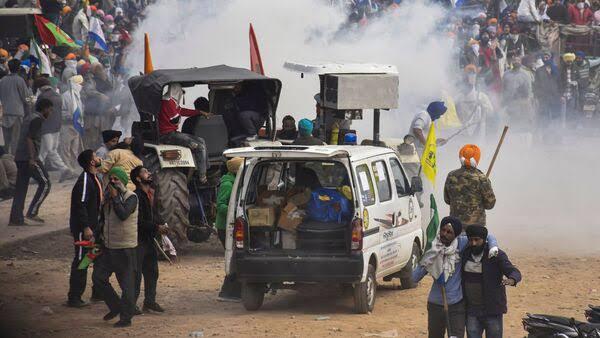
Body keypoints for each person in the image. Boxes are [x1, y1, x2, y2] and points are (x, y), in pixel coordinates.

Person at [413, 217, 498, 338]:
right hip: (435, 304)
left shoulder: (461, 244)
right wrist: (428, 259)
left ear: (456, 235)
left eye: (449, 232)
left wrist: (493, 246)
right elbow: (414, 278)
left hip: (456, 305)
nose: (444, 234)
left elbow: (488, 236)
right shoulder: (433, 248)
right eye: (443, 230)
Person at [92, 166, 139, 328]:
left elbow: (123, 214)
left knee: (126, 285)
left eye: (116, 179)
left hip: (125, 248)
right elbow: (103, 220)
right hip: (107, 247)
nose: (112, 182)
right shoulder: (107, 199)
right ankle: (115, 306)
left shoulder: (131, 197)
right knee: (98, 278)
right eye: (110, 179)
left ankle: (126, 318)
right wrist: (96, 239)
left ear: (123, 182)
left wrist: (116, 198)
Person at [462, 225, 522, 338]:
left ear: (484, 240)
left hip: (492, 310)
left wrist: (512, 280)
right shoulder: (464, 254)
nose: (473, 243)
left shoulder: (495, 255)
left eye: (477, 240)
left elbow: (513, 271)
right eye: (471, 240)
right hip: (472, 311)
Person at [67, 149, 104, 308]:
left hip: (94, 229)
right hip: (85, 231)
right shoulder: (84, 180)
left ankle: (97, 292)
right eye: (95, 156)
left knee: (95, 257)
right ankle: (74, 297)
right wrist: (85, 227)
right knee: (82, 261)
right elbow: (80, 205)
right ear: (91, 162)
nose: (99, 157)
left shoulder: (94, 178)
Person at [9, 98, 53, 226]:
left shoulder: (30, 117)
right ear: (44, 109)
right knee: (45, 183)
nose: (50, 113)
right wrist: (32, 158)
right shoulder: (37, 119)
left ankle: (16, 219)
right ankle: (32, 213)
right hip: (29, 158)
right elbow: (29, 138)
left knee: (21, 189)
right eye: (49, 110)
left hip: (20, 157)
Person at [130, 165, 166, 313]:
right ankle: (130, 305)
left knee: (152, 271)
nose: (149, 173)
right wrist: (157, 228)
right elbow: (137, 222)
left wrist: (161, 223)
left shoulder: (149, 194)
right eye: (145, 172)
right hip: (138, 241)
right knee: (136, 274)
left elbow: (153, 216)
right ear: (138, 179)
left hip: (148, 240)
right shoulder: (136, 197)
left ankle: (149, 302)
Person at [158, 83, 208, 182]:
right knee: (198, 146)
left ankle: (205, 170)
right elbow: (175, 118)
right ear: (177, 91)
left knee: (201, 140)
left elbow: (182, 111)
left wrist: (199, 112)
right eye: (181, 91)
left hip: (174, 133)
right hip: (167, 135)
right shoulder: (167, 102)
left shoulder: (172, 102)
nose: (181, 94)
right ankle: (202, 177)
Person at [444, 145, 496, 228]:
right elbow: (490, 204)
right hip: (476, 229)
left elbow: (447, 200)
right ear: (476, 159)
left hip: (455, 226)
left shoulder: (451, 175)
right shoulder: (481, 178)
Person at [35, 77, 76, 182]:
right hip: (57, 127)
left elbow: (37, 111)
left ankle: (64, 170)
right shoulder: (58, 96)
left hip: (46, 128)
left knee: (49, 151)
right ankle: (38, 173)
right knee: (45, 152)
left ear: (40, 87)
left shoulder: (42, 96)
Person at [215, 157, 244, 302]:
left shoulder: (234, 182)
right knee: (234, 259)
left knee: (235, 258)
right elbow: (220, 206)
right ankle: (228, 292)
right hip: (225, 226)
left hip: (229, 224)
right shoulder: (227, 183)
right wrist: (236, 212)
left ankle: (231, 291)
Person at [0, 59, 31, 155]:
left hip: (4, 114)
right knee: (15, 141)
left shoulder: (2, 80)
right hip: (17, 114)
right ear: (18, 68)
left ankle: (5, 161)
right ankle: (12, 162)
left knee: (5, 141)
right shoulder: (20, 80)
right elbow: (27, 98)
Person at [534, 52, 562, 126]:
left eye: (547, 58)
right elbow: (536, 84)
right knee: (544, 117)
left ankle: (555, 133)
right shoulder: (539, 70)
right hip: (544, 97)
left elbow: (560, 83)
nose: (545, 59)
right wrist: (537, 96)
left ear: (551, 58)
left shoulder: (556, 69)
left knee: (555, 116)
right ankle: (545, 133)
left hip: (555, 97)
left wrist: (561, 95)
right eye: (544, 58)